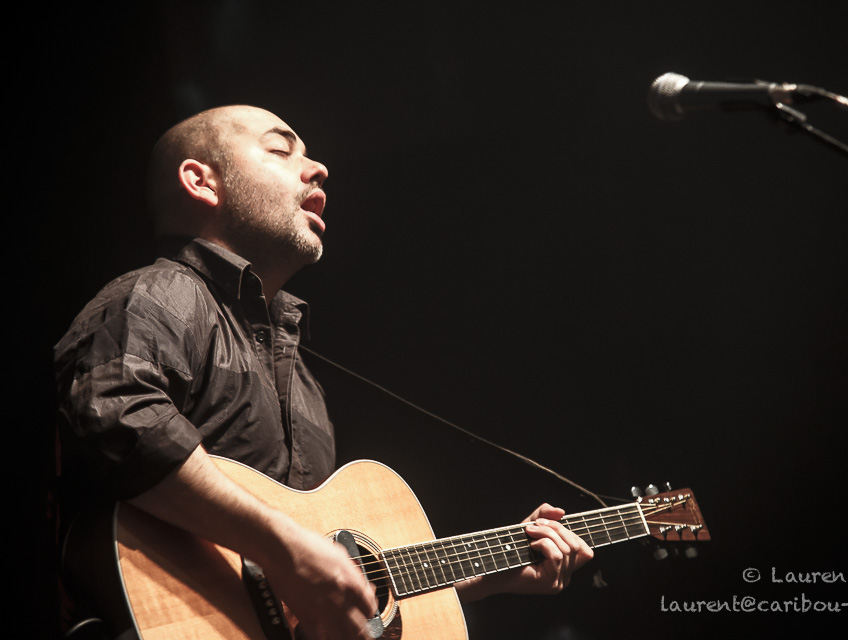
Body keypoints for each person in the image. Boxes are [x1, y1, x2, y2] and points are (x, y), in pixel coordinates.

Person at [53, 105, 593, 639]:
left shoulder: (304, 384)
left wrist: (486, 575)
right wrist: (283, 548)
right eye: (280, 149)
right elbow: (118, 417)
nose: (319, 169)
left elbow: (316, 581)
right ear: (201, 182)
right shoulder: (163, 294)